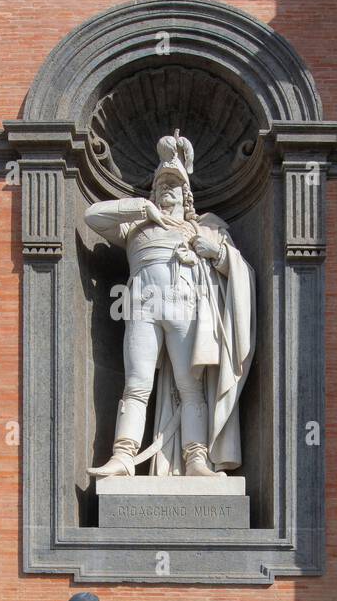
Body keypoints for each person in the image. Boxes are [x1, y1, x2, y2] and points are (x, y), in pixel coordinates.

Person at [85, 132, 255, 478]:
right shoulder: (135, 226)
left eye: (174, 186)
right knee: (136, 384)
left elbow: (239, 271)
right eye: (161, 186)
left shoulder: (202, 228)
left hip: (185, 309)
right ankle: (123, 457)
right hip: (143, 309)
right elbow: (93, 216)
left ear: (185, 194)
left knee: (190, 386)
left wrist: (216, 252)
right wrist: (139, 206)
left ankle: (196, 459)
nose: (167, 191)